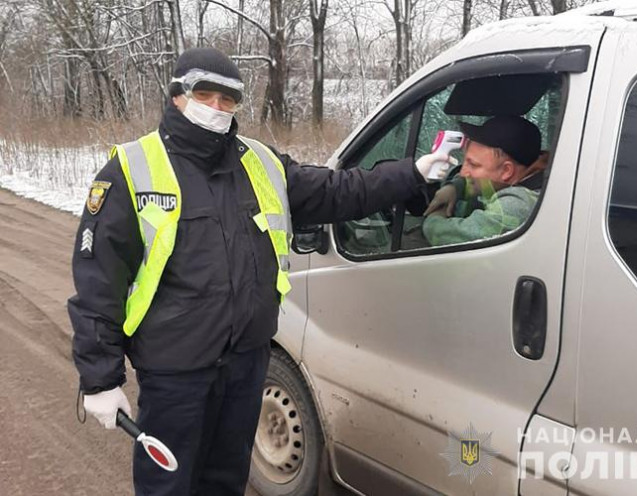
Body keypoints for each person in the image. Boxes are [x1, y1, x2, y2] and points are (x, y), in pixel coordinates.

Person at [68, 47, 441, 496]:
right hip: (175, 372)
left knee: (227, 480)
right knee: (168, 486)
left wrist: (413, 172)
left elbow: (337, 191)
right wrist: (99, 378)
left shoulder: (260, 162)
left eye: (228, 100)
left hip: (246, 362)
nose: (217, 109)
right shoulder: (131, 169)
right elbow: (97, 281)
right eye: (204, 96)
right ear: (176, 97)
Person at [422, 115, 543, 246]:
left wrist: (435, 215)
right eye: (465, 161)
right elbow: (483, 183)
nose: (463, 172)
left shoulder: (518, 205)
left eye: (473, 165)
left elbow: (446, 235)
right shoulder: (523, 178)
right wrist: (455, 188)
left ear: (507, 171)